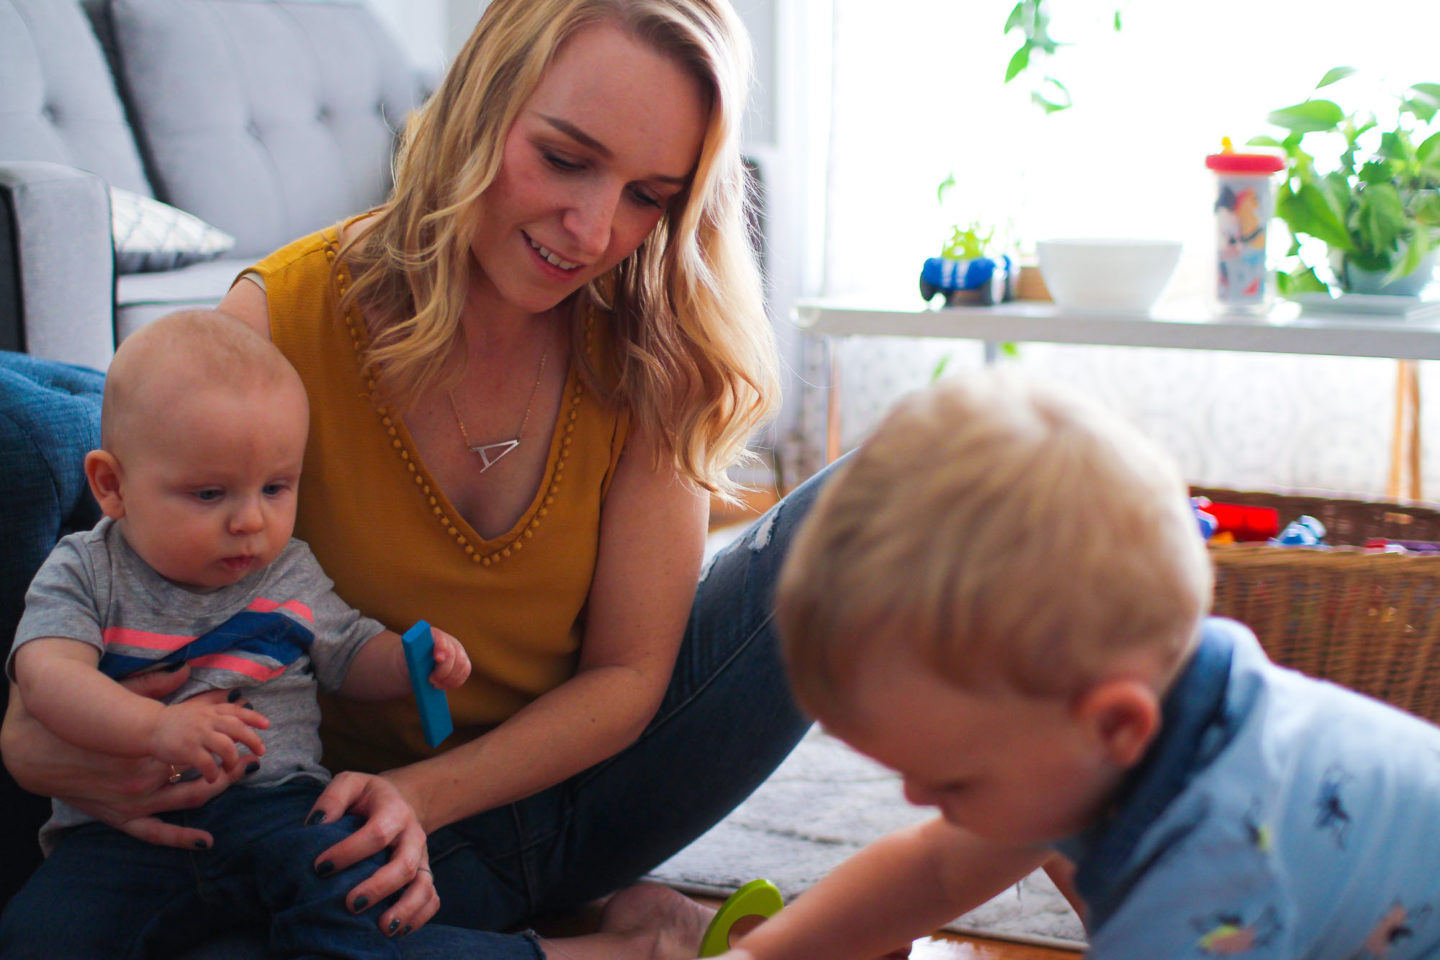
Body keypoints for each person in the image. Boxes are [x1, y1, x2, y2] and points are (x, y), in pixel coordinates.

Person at [2, 0, 825, 955]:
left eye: (650, 195)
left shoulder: (652, 350)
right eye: (564, 159)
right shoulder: (278, 325)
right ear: (479, 106)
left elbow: (630, 677)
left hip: (571, 804)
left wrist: (420, 798)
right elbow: (107, 612)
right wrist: (45, 745)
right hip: (335, 844)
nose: (596, 229)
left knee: (872, 505)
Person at [712, 369, 1440, 960]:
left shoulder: (1205, 882)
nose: (915, 799)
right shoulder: (1121, 727)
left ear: (1117, 724)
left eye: (952, 779)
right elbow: (936, 870)